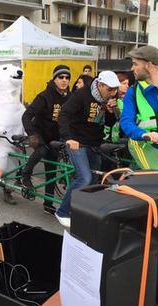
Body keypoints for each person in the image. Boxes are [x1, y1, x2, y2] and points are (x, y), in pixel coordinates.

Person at [55, 71, 120, 227]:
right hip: (77, 141)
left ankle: (83, 212)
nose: (113, 93)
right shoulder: (81, 95)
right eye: (110, 89)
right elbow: (63, 114)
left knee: (94, 180)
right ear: (100, 84)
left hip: (94, 143)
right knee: (84, 177)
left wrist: (111, 112)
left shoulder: (107, 99)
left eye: (115, 90)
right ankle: (63, 211)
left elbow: (108, 123)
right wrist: (68, 138)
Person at [21, 65, 72, 215]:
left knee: (52, 171)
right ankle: (26, 175)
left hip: (56, 137)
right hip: (40, 133)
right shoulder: (44, 96)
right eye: (60, 77)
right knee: (42, 150)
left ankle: (48, 204)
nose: (64, 80)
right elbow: (26, 116)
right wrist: (32, 134)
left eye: (67, 78)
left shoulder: (69, 97)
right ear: (54, 79)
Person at [103, 72, 130, 143]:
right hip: (109, 137)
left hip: (124, 135)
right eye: (124, 83)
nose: (127, 86)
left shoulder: (129, 99)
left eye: (127, 84)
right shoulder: (110, 100)